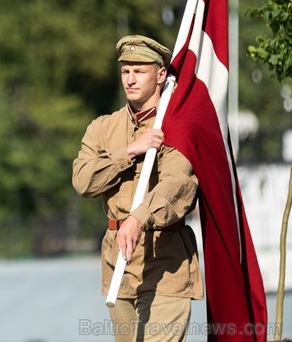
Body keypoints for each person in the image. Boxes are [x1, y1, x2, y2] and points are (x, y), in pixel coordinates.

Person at [72, 35, 203, 342]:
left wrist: (139, 217)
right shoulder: (103, 128)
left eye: (139, 71)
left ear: (160, 74)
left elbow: (178, 186)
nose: (130, 79)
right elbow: (83, 180)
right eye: (125, 71)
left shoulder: (177, 126)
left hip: (166, 262)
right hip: (118, 260)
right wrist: (130, 151)